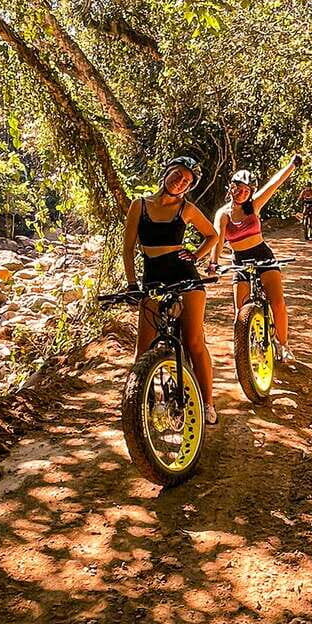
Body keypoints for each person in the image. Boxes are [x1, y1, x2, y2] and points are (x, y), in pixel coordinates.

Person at [122, 156, 220, 424]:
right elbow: (128, 248)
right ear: (166, 173)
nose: (180, 182)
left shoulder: (186, 209)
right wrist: (132, 285)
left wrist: (197, 255)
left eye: (186, 181)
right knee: (143, 348)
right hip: (152, 277)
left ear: (189, 188)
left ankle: (207, 404)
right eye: (177, 175)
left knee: (193, 341)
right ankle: (140, 404)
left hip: (184, 275)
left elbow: (213, 235)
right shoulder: (139, 205)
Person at [211, 155, 303, 362]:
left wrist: (292, 165)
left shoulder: (254, 206)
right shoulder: (223, 214)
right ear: (231, 187)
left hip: (263, 256)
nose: (242, 193)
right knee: (240, 313)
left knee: (278, 303)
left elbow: (274, 183)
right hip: (240, 261)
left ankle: (283, 345)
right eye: (238, 188)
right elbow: (217, 240)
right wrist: (213, 263)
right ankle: (245, 349)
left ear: (251, 192)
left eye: (247, 190)